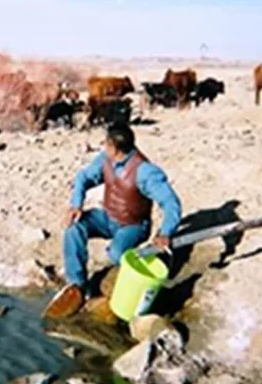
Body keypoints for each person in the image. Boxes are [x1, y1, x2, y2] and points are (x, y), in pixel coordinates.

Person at [42, 123, 182, 319]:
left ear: (114, 147)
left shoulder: (145, 172)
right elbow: (83, 177)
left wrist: (165, 232)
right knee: (74, 228)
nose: (104, 147)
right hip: (107, 217)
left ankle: (131, 282)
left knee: (116, 254)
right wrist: (76, 205)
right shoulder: (105, 160)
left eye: (106, 143)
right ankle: (77, 285)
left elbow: (171, 203)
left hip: (132, 225)